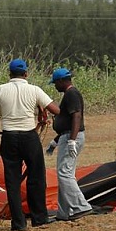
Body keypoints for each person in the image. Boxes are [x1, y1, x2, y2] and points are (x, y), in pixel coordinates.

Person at [0, 59, 60, 231]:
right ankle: (39, 218)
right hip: (29, 137)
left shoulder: (1, 90)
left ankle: (18, 223)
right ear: (26, 74)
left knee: (12, 180)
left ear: (9, 74)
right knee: (37, 177)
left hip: (9, 137)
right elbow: (55, 109)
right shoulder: (34, 90)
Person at [47, 68, 93, 221]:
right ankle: (64, 212)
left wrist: (72, 140)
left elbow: (76, 116)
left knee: (64, 173)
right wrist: (55, 140)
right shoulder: (68, 94)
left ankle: (81, 206)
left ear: (61, 81)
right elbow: (66, 120)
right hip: (66, 136)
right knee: (64, 174)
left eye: (55, 83)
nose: (55, 86)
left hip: (71, 137)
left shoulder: (71, 94)